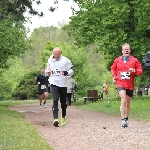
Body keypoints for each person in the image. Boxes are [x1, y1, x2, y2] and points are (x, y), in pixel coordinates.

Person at [111, 43, 143, 128]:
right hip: (120, 83)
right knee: (123, 99)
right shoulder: (117, 60)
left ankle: (126, 118)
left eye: (128, 49)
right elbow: (113, 69)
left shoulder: (134, 60)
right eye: (125, 49)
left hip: (130, 84)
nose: (126, 50)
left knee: (128, 103)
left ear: (130, 50)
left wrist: (134, 71)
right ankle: (123, 120)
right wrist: (114, 77)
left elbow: (140, 71)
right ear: (122, 51)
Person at [46, 47, 74, 127]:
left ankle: (63, 117)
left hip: (63, 84)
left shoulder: (65, 60)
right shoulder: (49, 60)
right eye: (55, 54)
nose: (56, 56)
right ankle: (55, 119)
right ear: (53, 53)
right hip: (53, 82)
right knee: (55, 100)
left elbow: (72, 70)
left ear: (61, 53)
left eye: (58, 54)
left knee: (63, 102)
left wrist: (67, 73)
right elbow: (47, 70)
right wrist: (47, 72)